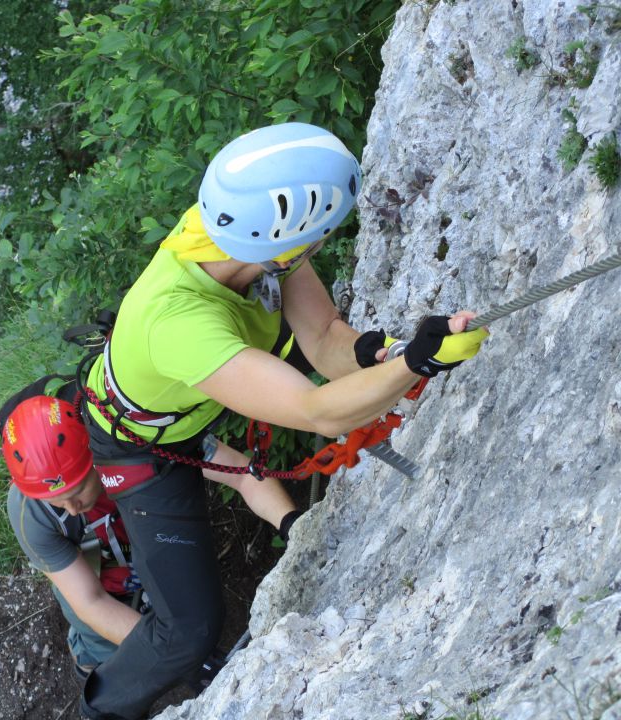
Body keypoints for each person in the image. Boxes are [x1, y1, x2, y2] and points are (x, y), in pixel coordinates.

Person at [77, 122, 489, 719]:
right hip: (134, 446)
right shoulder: (181, 323)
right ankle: (101, 709)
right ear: (289, 240)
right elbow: (317, 413)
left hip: (180, 404)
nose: (319, 248)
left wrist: (394, 355)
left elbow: (324, 340)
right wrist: (417, 364)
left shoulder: (243, 234)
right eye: (317, 239)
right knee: (188, 629)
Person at [1, 394, 299, 685]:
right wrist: (180, 656)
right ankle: (93, 662)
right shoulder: (31, 512)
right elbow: (91, 602)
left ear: (93, 452)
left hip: (154, 557)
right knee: (119, 660)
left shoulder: (137, 437)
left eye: (76, 491)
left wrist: (294, 526)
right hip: (105, 593)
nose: (72, 508)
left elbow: (242, 475)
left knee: (184, 622)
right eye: (57, 501)